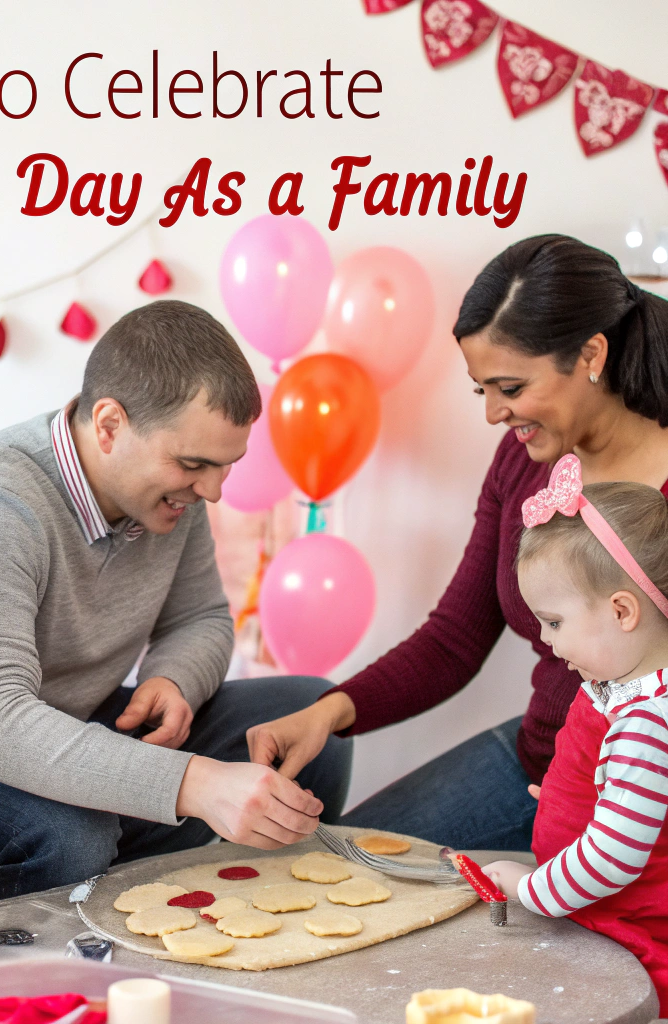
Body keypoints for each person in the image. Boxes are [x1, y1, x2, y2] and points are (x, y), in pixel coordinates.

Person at [0, 299, 352, 907]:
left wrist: (175, 679)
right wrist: (197, 783)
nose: (213, 490)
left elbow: (202, 618)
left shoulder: (169, 497)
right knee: (70, 833)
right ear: (108, 426)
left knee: (309, 717)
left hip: (69, 724)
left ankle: (211, 901)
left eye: (224, 467)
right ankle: (11, 944)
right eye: (193, 465)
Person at [246, 234, 668, 850]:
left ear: (591, 355)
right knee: (344, 868)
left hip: (641, 794)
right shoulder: (521, 462)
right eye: (483, 391)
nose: (495, 414)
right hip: (538, 760)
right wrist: (329, 711)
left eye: (512, 388)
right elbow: (455, 637)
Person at [483, 455, 668, 1014]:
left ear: (621, 610)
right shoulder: (621, 685)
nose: (548, 642)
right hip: (593, 907)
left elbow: (614, 856)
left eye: (555, 622)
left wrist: (528, 889)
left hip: (623, 929)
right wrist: (570, 798)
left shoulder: (647, 723)